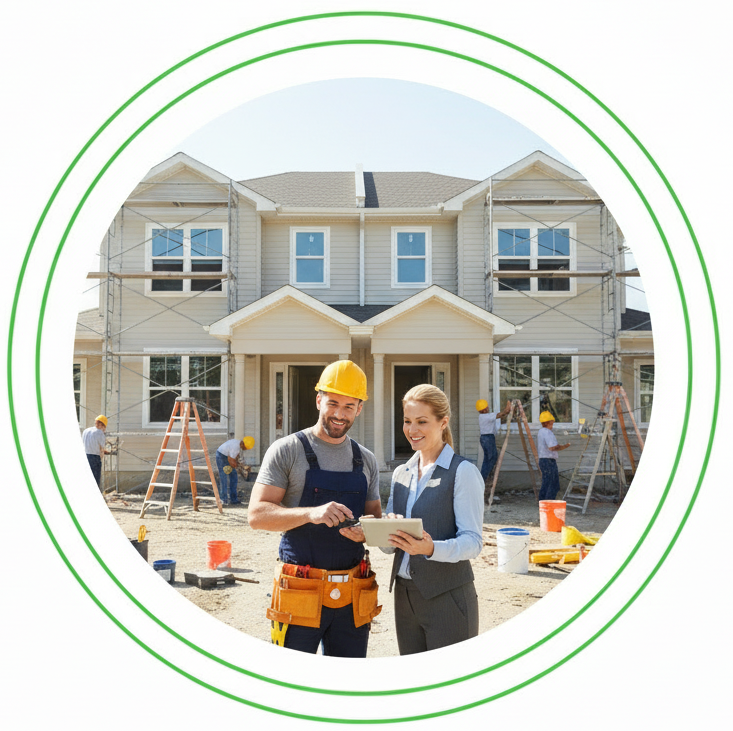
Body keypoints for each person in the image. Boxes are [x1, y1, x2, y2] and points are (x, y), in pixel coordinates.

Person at [248, 360, 382, 657]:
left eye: (349, 406)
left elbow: (376, 521)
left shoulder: (366, 460)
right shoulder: (287, 450)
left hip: (352, 594)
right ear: (319, 399)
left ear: (359, 409)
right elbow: (256, 516)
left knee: (346, 687)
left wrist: (367, 532)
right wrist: (310, 513)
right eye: (333, 403)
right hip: (300, 590)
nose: (339, 413)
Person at [381, 384, 483, 655]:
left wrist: (431, 548)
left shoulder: (463, 472)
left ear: (443, 422)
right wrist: (379, 531)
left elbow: (473, 542)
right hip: (404, 597)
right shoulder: (401, 473)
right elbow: (389, 546)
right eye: (407, 421)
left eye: (422, 422)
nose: (412, 430)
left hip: (447, 597)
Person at [537, 410, 571, 501]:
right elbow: (552, 447)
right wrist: (564, 446)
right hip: (548, 461)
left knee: (546, 483)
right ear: (548, 422)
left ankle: (542, 502)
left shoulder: (540, 431)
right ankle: (548, 503)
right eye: (552, 422)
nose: (552, 425)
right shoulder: (547, 432)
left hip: (543, 460)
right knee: (553, 484)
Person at [475, 399, 511, 483]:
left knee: (488, 459)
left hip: (485, 438)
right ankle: (484, 477)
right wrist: (508, 403)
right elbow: (503, 413)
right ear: (484, 409)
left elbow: (501, 416)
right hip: (488, 438)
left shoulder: (483, 416)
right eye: (486, 407)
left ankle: (484, 477)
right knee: (492, 458)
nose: (488, 408)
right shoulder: (486, 417)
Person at [215, 436, 255, 504]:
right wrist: (239, 468)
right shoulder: (235, 447)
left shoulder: (238, 446)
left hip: (227, 456)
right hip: (221, 456)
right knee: (223, 477)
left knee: (234, 477)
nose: (245, 449)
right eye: (245, 448)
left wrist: (241, 465)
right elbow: (231, 461)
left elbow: (235, 457)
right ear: (243, 444)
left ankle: (234, 499)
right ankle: (223, 499)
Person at [81, 414, 110, 488]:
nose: (104, 430)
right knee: (95, 481)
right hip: (94, 458)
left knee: (86, 479)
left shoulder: (86, 431)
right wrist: (104, 453)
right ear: (102, 424)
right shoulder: (99, 432)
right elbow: (101, 449)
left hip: (84, 456)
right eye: (104, 427)